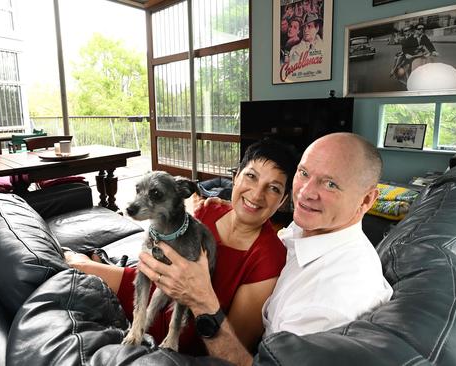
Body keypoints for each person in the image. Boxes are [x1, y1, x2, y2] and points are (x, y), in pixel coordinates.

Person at [139, 133, 394, 365]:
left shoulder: (330, 299)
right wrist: (231, 210)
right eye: (304, 173)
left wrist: (200, 299)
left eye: (330, 184)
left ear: (367, 200)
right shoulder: (311, 228)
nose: (305, 193)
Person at [65, 138, 298, 355]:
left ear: (283, 201)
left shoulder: (269, 257)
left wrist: (197, 297)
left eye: (274, 188)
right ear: (236, 177)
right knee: (74, 265)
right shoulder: (210, 210)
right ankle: (98, 261)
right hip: (149, 290)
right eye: (251, 177)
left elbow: (233, 349)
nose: (257, 194)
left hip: (186, 334)